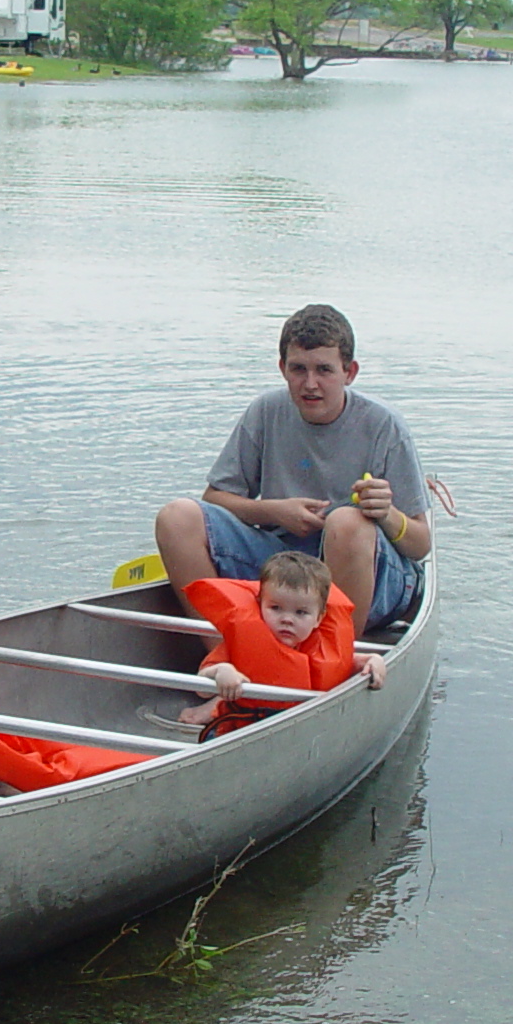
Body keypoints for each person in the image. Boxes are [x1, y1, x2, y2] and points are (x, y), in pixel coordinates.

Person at [154, 302, 431, 631]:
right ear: (283, 368)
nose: (310, 383)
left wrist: (386, 514)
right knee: (176, 517)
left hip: (369, 571)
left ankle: (336, 659)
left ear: (349, 372)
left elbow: (420, 544)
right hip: (283, 567)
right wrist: (275, 511)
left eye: (324, 370)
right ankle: (226, 653)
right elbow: (214, 497)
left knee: (347, 522)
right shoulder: (266, 411)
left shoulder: (384, 426)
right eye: (299, 369)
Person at [177, 550, 382, 736]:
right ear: (260, 606)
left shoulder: (322, 645)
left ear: (319, 618)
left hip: (305, 730)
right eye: (275, 608)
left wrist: (372, 659)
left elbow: (348, 663)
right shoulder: (240, 646)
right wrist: (221, 671)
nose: (287, 619)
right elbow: (201, 688)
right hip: (242, 732)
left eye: (300, 612)